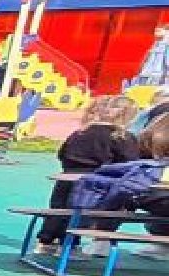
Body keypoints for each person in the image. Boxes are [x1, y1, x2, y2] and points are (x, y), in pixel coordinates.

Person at [37, 96, 142, 257]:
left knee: (59, 210)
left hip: (68, 177)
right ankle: (82, 243)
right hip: (97, 182)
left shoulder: (80, 133)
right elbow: (131, 162)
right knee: (86, 211)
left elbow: (63, 153)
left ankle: (47, 241)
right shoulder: (121, 137)